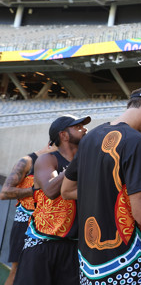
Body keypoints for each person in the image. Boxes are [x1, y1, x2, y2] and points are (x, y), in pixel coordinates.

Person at [60, 87, 141, 284]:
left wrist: (106, 194)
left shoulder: (90, 137)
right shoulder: (136, 142)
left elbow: (66, 190)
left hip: (89, 265)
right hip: (128, 264)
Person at [14, 115, 90, 285]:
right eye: (78, 127)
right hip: (42, 243)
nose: (85, 129)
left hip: (74, 246)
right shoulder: (48, 159)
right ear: (63, 135)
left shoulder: (87, 162)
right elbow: (50, 190)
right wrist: (77, 162)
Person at [0, 143, 56, 285]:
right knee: (18, 269)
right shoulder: (28, 161)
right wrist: (36, 189)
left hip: (49, 225)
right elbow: (5, 192)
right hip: (25, 223)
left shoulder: (63, 162)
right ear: (52, 143)